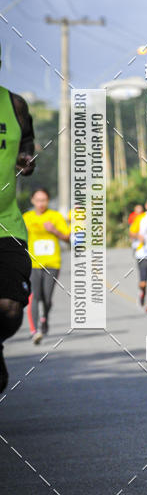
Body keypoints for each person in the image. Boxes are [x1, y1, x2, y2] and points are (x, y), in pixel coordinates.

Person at [0, 75, 36, 392]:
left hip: (6, 223)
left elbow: (28, 149)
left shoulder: (14, 105)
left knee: (10, 307)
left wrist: (26, 159)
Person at [22, 188, 70, 344]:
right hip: (33, 263)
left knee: (47, 299)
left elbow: (67, 238)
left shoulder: (55, 216)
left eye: (44, 200)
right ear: (32, 201)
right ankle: (34, 331)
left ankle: (45, 319)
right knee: (34, 296)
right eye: (38, 200)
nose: (41, 203)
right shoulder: (26, 218)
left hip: (52, 263)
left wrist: (54, 230)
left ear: (48, 201)